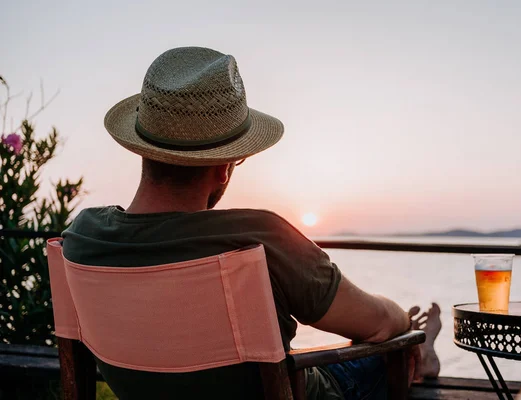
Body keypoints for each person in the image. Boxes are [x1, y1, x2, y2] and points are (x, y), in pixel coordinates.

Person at [62, 47, 441, 399]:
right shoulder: (259, 239)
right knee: (396, 346)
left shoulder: (82, 237)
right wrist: (405, 323)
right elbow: (378, 325)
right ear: (225, 168)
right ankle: (423, 352)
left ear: (143, 149)